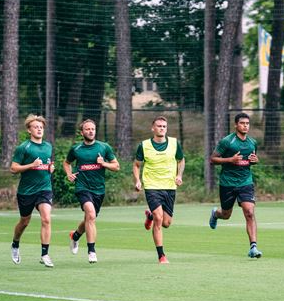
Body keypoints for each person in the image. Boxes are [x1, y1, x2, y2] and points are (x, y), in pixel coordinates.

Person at [64, 119, 120, 264]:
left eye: (93, 129)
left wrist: (104, 163)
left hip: (99, 190)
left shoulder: (104, 147)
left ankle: (75, 236)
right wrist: (69, 174)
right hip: (82, 187)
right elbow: (66, 162)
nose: (90, 131)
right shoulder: (76, 149)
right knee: (90, 214)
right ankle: (91, 251)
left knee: (90, 218)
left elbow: (116, 166)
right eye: (87, 129)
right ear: (82, 132)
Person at [208, 112, 262, 259]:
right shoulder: (227, 142)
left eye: (247, 123)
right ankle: (216, 214)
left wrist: (255, 160)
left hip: (245, 182)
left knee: (249, 212)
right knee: (226, 215)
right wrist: (230, 160)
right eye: (242, 123)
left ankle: (253, 247)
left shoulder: (252, 143)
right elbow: (212, 159)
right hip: (227, 183)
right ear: (236, 125)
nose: (245, 126)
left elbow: (251, 160)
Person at [133, 116, 185, 264]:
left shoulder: (175, 143)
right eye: (159, 126)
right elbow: (136, 164)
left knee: (166, 223)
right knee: (159, 218)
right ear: (153, 128)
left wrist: (179, 175)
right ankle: (161, 255)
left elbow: (181, 160)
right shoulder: (144, 145)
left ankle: (149, 216)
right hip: (152, 186)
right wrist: (138, 181)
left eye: (164, 126)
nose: (162, 128)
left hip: (169, 186)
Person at [10, 114, 55, 268]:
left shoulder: (48, 146)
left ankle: (45, 254)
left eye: (41, 127)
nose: (39, 129)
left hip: (45, 189)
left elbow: (49, 164)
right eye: (36, 127)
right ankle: (15, 244)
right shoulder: (24, 148)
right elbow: (13, 168)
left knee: (46, 219)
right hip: (26, 191)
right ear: (29, 130)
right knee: (24, 222)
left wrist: (50, 168)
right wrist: (31, 165)